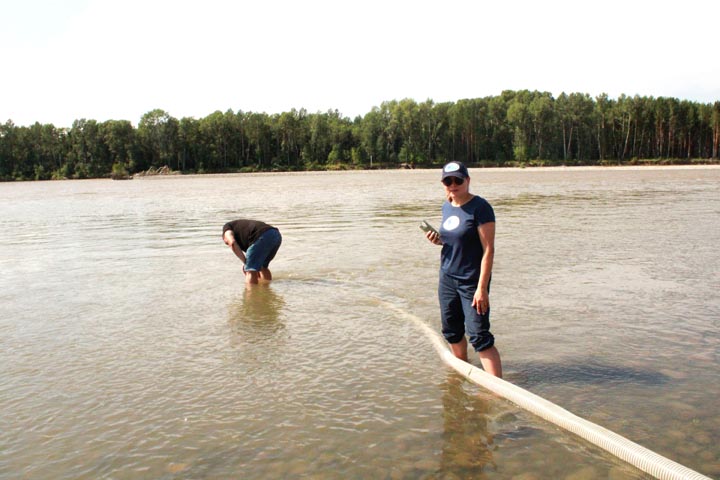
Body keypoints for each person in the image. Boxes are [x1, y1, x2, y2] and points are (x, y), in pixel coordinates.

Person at [424, 161, 503, 377]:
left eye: (458, 180)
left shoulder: (481, 208)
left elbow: (489, 250)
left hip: (471, 282)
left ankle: (497, 392)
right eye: (447, 181)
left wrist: (482, 288)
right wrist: (438, 241)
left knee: (479, 335)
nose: (453, 184)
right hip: (447, 278)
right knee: (451, 331)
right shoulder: (447, 205)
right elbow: (455, 240)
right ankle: (462, 375)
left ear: (468, 180)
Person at [222, 219, 282, 285]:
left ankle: (251, 294)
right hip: (276, 235)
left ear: (224, 238)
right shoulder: (239, 228)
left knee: (250, 270)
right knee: (263, 267)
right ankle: (266, 289)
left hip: (261, 236)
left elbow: (232, 243)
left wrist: (245, 263)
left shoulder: (227, 228)